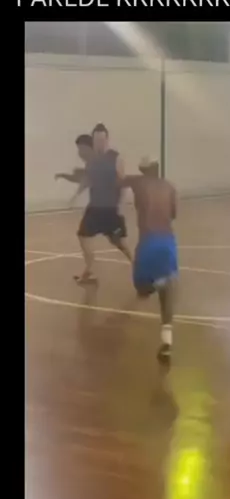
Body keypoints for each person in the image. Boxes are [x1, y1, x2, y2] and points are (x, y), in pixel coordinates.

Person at [57, 124, 132, 284]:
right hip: (95, 207)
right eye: (97, 140)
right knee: (83, 236)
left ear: (107, 140)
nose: (99, 143)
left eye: (102, 140)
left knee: (119, 243)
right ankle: (90, 271)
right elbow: (88, 180)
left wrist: (120, 206)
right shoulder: (91, 160)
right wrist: (75, 195)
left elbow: (123, 183)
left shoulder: (116, 158)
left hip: (111, 209)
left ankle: (138, 266)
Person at [121, 158, 178, 362]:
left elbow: (118, 180)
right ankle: (167, 339)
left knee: (142, 289)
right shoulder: (170, 186)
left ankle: (156, 283)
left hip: (148, 242)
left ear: (143, 170)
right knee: (167, 292)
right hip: (168, 242)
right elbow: (173, 214)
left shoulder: (139, 182)